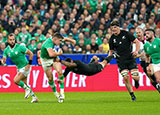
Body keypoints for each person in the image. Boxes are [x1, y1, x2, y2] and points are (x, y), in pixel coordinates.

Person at [0, 33, 38, 103]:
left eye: (13, 40)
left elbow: (31, 54)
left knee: (15, 80)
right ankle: (34, 97)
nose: (12, 41)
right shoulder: (6, 50)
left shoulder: (20, 47)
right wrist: (2, 61)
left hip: (26, 66)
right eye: (10, 40)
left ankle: (27, 89)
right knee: (25, 84)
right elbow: (4, 60)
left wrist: (29, 64)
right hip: (19, 68)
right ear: (8, 41)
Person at [108, 20, 140, 101]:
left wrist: (136, 51)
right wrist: (107, 61)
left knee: (135, 77)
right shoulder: (112, 39)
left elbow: (136, 41)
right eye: (112, 28)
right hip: (121, 60)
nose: (114, 29)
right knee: (125, 77)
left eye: (115, 27)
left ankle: (136, 81)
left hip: (130, 58)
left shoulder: (126, 33)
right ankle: (132, 95)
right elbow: (111, 51)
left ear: (119, 27)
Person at [40, 32, 76, 102]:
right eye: (59, 41)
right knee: (50, 79)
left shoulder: (56, 39)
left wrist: (72, 41)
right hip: (45, 60)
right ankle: (57, 94)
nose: (60, 42)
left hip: (54, 58)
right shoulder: (48, 43)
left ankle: (62, 93)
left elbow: (64, 39)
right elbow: (51, 54)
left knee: (60, 72)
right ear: (55, 39)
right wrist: (59, 53)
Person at [135, 27, 160, 92]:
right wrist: (140, 55)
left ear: (142, 33)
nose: (138, 34)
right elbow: (134, 55)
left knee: (152, 74)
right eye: (137, 33)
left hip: (152, 61)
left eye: (139, 32)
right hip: (143, 62)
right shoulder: (135, 43)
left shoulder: (148, 40)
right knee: (151, 78)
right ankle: (158, 88)